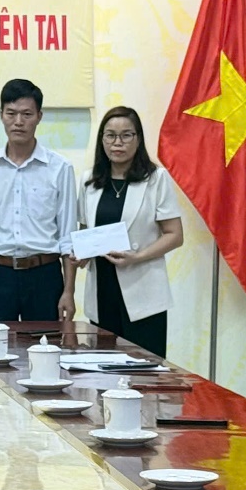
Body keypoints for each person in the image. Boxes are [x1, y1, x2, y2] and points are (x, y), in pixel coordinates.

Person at [73, 105, 184, 357]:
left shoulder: (156, 178)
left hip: (143, 290)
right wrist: (80, 254)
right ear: (102, 140)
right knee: (102, 369)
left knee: (144, 370)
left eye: (126, 135)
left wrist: (137, 257)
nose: (117, 143)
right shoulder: (89, 180)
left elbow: (175, 235)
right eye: (110, 135)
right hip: (102, 289)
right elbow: (85, 231)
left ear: (138, 139)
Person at [0, 79, 77, 323]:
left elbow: (68, 236)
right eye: (11, 113)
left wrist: (69, 292)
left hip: (44, 275)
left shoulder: (60, 168)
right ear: (1, 115)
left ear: (39, 116)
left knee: (44, 343)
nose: (18, 121)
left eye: (27, 114)